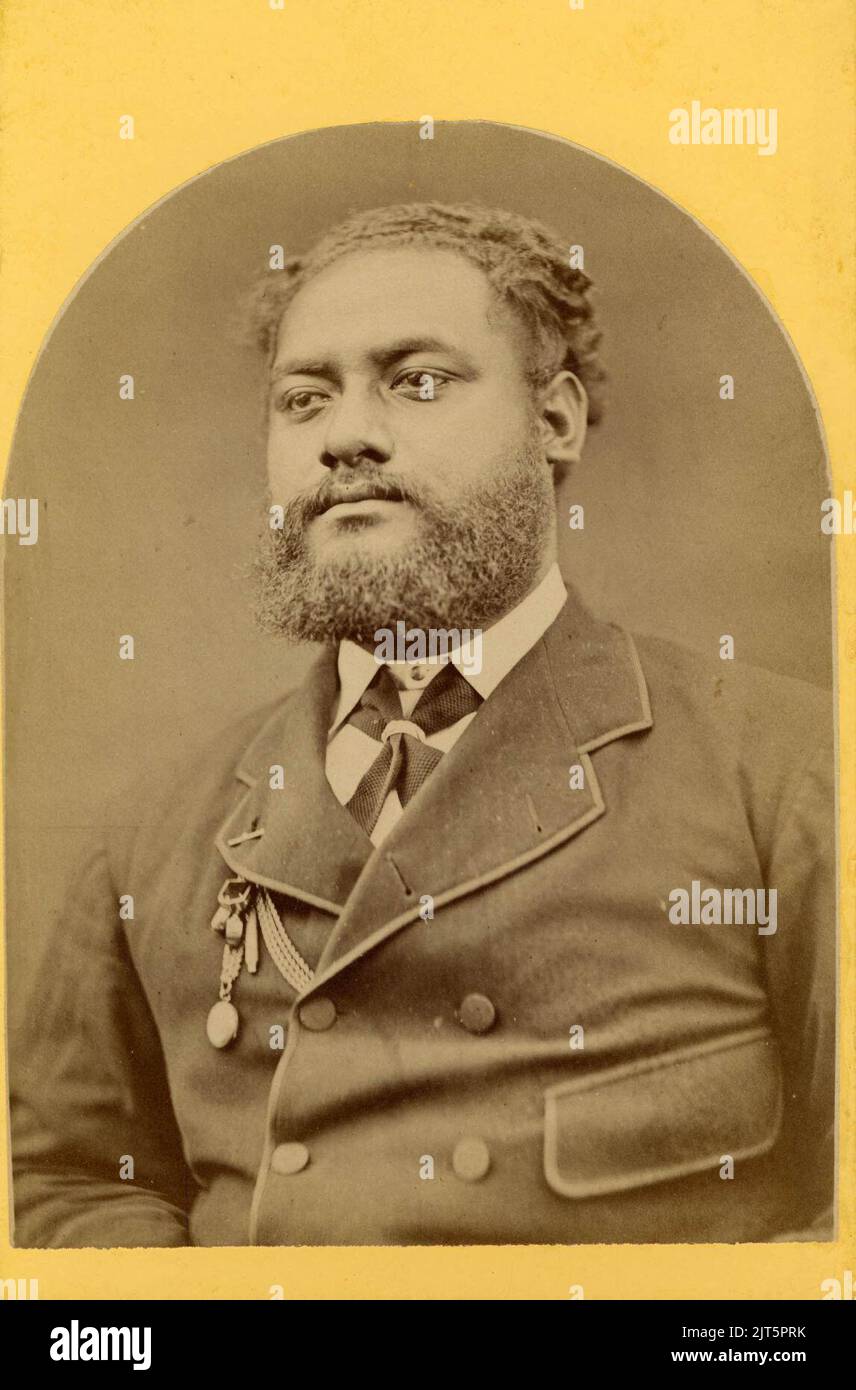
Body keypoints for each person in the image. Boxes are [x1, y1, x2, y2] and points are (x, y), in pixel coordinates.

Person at [11, 201, 835, 1247]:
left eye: (419, 381)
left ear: (556, 420)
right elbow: (70, 1179)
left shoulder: (789, 774)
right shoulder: (155, 827)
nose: (347, 435)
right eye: (304, 398)